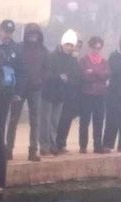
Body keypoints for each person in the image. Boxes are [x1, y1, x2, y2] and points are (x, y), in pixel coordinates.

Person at [5, 23, 49, 162]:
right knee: (13, 120)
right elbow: (11, 67)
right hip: (19, 88)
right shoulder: (18, 48)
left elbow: (47, 68)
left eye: (35, 34)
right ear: (26, 35)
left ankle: (33, 150)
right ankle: (9, 149)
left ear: (39, 35)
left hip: (35, 88)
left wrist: (41, 79)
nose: (33, 37)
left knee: (35, 121)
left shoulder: (43, 50)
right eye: (30, 34)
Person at [39, 29, 80, 157]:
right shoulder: (51, 56)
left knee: (55, 122)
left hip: (61, 94)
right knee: (45, 121)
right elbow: (45, 74)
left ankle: (53, 145)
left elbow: (75, 75)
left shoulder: (73, 60)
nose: (69, 47)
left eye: (71, 45)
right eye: (67, 44)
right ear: (62, 44)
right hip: (48, 93)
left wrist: (68, 79)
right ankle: (44, 147)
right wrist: (59, 77)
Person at [79, 36, 110, 154]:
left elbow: (107, 75)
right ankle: (83, 146)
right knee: (84, 121)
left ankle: (98, 145)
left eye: (99, 48)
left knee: (99, 121)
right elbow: (83, 76)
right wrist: (99, 75)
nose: (96, 50)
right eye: (94, 47)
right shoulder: (84, 60)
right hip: (86, 93)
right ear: (90, 47)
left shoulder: (104, 61)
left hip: (100, 94)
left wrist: (93, 71)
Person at [55, 38, 83, 154]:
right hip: (62, 93)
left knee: (67, 120)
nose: (76, 49)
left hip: (73, 94)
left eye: (79, 47)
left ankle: (62, 143)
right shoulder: (64, 59)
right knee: (59, 119)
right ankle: (55, 143)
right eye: (75, 47)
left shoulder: (77, 61)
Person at [0, 19, 22, 133]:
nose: (8, 35)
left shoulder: (15, 47)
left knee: (2, 120)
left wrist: (17, 91)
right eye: (6, 32)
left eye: (10, 32)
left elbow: (20, 70)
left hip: (7, 90)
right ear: (0, 31)